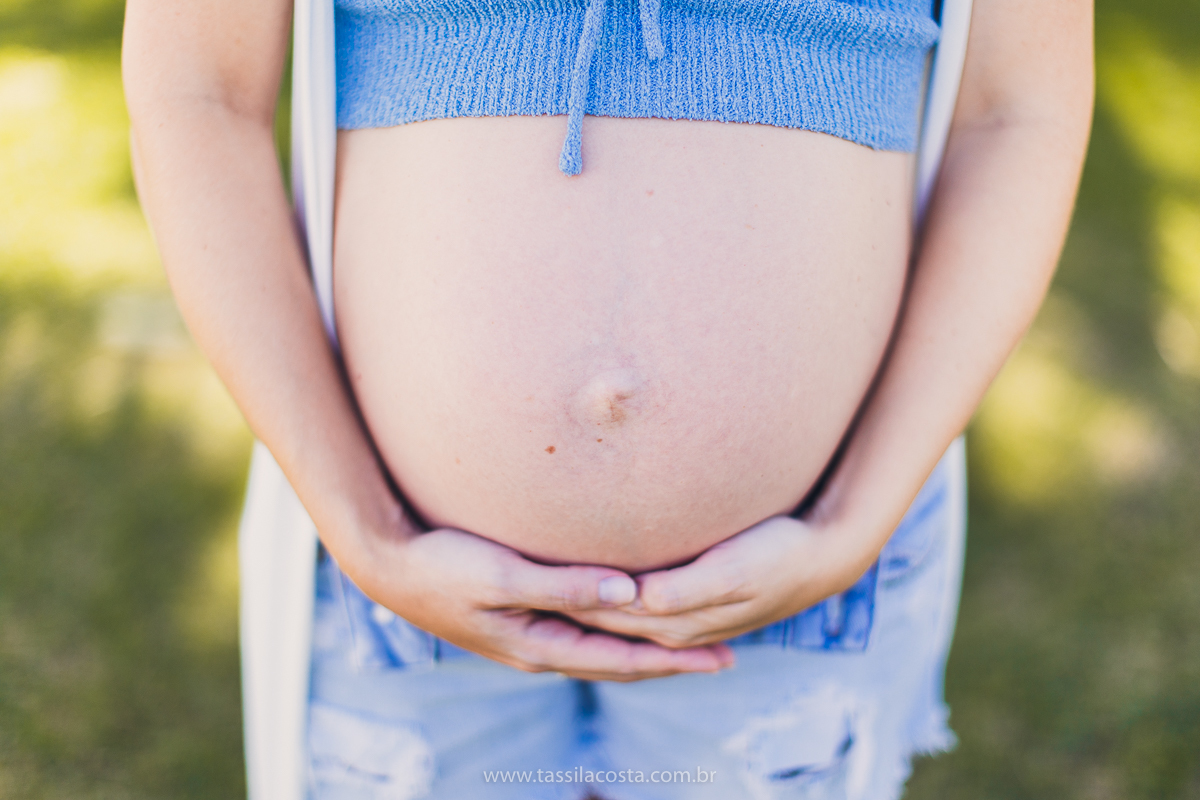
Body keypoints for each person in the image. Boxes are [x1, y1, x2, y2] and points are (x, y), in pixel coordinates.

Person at [121, 0, 1093, 796]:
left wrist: (855, 520)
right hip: (393, 572)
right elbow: (197, 91)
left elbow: (1019, 110)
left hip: (807, 565)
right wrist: (362, 529)